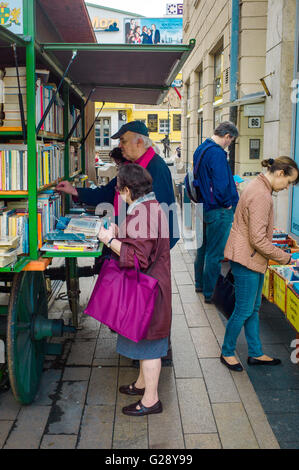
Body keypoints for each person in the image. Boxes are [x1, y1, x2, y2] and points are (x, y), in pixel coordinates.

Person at [56, 120, 179, 364]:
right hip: (133, 245)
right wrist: (75, 191)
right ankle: (144, 350)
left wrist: (155, 254)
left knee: (151, 302)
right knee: (141, 302)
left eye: (123, 141)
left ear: (140, 141)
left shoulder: (156, 167)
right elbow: (107, 192)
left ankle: (157, 354)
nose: (119, 146)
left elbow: (164, 215)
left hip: (146, 251)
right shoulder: (132, 166)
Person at [97, 164, 171, 416]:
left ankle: (151, 400)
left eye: (119, 190)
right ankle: (141, 385)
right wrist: (120, 234)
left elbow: (138, 258)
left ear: (128, 189)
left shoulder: (143, 214)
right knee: (144, 339)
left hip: (149, 289)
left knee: (150, 345)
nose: (118, 194)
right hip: (150, 286)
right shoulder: (149, 206)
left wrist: (109, 240)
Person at [220, 157, 299, 372]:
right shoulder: (261, 195)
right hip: (248, 258)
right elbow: (258, 239)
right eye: (289, 182)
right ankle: (227, 351)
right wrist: (286, 258)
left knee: (252, 309)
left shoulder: (258, 186)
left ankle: (255, 352)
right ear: (281, 173)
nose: (287, 188)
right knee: (244, 310)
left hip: (250, 257)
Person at [193, 121, 239, 303]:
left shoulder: (201, 149)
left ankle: (200, 284)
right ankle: (210, 293)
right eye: (231, 140)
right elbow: (220, 184)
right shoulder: (218, 153)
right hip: (218, 209)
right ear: (227, 136)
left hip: (203, 207)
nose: (229, 144)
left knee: (202, 249)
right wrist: (227, 202)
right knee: (215, 254)